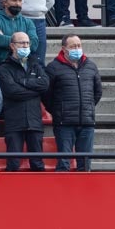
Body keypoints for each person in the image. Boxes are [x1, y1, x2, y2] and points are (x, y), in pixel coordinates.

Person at [0, 0, 37, 143]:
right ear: (4, 2)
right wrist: (21, 41)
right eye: (14, 0)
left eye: (20, 0)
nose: (18, 3)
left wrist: (8, 40)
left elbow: (34, 44)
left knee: (21, 111)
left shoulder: (27, 22)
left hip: (22, 71)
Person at [44, 34, 102, 171]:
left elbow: (98, 92)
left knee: (85, 164)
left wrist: (88, 107)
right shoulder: (53, 67)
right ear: (64, 49)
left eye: (79, 45)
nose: (77, 48)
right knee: (64, 163)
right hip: (64, 123)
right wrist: (58, 111)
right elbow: (46, 95)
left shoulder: (91, 66)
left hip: (87, 122)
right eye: (73, 46)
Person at [0, 30, 51, 172]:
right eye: (22, 43)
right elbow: (12, 91)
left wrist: (23, 82)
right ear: (12, 46)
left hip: (34, 122)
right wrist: (34, 91)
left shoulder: (35, 64)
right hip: (14, 123)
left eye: (27, 43)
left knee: (38, 165)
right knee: (13, 165)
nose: (26, 45)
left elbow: (45, 84)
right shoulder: (4, 67)